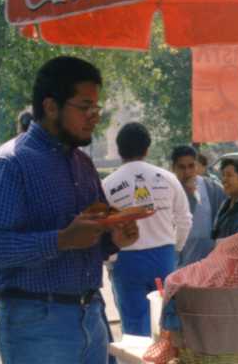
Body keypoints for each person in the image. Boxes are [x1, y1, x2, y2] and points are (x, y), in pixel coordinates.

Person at [0, 56, 140, 364]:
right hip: (36, 322)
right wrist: (61, 239)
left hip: (91, 314)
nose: (94, 116)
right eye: (85, 106)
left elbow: (89, 242)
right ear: (51, 106)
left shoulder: (83, 164)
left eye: (97, 108)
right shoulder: (9, 164)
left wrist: (115, 235)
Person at [102, 123, 192, 337]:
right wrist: (175, 248)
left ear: (119, 149)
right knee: (168, 325)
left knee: (134, 329)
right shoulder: (168, 179)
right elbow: (185, 220)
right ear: (147, 148)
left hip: (126, 262)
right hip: (164, 258)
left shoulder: (106, 185)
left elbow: (102, 229)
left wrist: (111, 259)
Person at [170, 146, 226, 267]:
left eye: (191, 166)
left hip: (208, 264)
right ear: (173, 168)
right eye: (182, 167)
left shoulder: (211, 188)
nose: (187, 172)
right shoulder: (167, 191)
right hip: (178, 266)